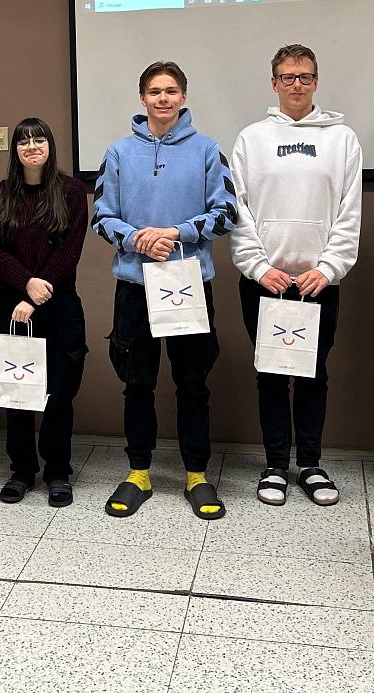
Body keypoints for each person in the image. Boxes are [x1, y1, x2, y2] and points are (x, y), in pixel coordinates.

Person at [92, 61, 237, 520]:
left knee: (192, 383)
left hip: (186, 282)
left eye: (171, 91)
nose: (163, 99)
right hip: (135, 286)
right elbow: (102, 217)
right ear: (143, 98)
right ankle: (139, 473)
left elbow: (227, 213)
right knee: (137, 384)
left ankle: (197, 474)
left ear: (183, 96)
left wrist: (175, 234)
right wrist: (139, 239)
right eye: (155, 91)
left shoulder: (208, 150)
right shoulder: (118, 152)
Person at [230, 44, 362, 508]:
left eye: (305, 76)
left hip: (317, 283)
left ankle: (309, 464)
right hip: (265, 282)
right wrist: (258, 267)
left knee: (313, 375)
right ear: (274, 83)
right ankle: (274, 466)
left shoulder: (342, 139)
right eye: (287, 77)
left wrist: (328, 269)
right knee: (270, 376)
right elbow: (238, 209)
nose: (297, 84)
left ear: (316, 81)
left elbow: (349, 211)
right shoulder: (251, 139)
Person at [0, 118, 89, 507]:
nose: (31, 146)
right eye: (23, 141)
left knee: (59, 395)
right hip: (11, 307)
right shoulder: (1, 194)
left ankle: (57, 471)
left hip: (58, 306)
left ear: (50, 145)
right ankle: (22, 471)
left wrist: (36, 293)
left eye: (39, 139)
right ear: (14, 150)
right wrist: (25, 284)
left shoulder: (72, 191)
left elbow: (70, 250)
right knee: (18, 393)